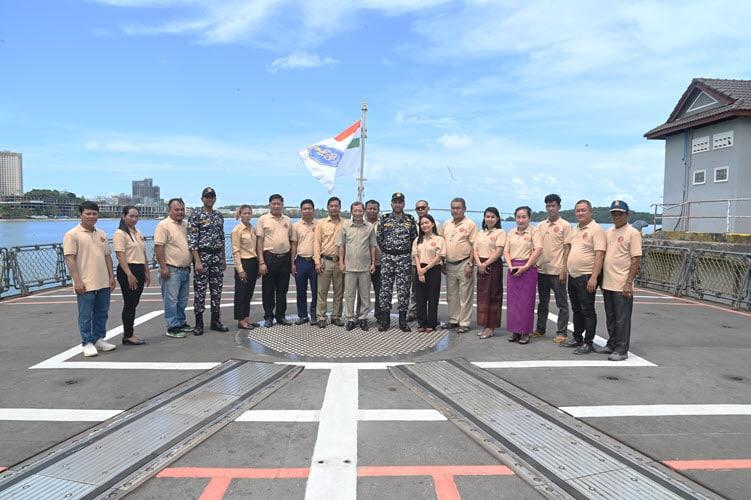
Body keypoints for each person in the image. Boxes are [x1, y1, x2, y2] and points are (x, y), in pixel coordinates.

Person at [63, 201, 117, 357]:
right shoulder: (72, 234)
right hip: (85, 282)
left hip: (103, 281)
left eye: (94, 214)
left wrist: (111, 276)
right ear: (81, 214)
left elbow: (107, 256)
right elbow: (69, 258)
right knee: (85, 314)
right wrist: (77, 280)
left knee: (102, 313)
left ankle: (99, 339)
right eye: (88, 213)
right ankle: (87, 342)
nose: (91, 216)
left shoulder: (101, 234)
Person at [598, 200, 642, 361]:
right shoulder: (609, 231)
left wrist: (629, 282)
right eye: (614, 213)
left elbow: (636, 259)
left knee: (622, 318)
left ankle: (622, 349)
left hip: (622, 283)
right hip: (608, 283)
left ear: (627, 215)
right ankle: (612, 343)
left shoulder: (632, 233)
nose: (616, 216)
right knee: (610, 316)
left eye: (620, 213)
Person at [561, 200, 606, 354]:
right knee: (576, 309)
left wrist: (594, 277)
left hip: (586, 276)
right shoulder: (575, 230)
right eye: (577, 210)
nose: (580, 213)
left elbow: (599, 254)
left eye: (583, 210)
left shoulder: (596, 230)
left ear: (590, 211)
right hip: (573, 275)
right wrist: (564, 269)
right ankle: (577, 337)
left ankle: (588, 342)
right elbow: (569, 250)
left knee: (587, 310)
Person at [188, 187, 228, 335]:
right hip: (202, 256)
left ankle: (215, 321)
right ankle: (199, 323)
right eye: (207, 196)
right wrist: (197, 260)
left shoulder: (219, 215)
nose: (210, 199)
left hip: (217, 256)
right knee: (200, 291)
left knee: (216, 290)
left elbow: (222, 238)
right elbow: (192, 240)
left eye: (212, 196)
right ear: (202, 199)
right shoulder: (196, 215)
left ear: (215, 199)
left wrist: (223, 258)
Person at [533, 194, 572, 343]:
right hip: (542, 270)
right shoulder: (541, 225)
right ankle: (540, 328)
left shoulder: (565, 225)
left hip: (557, 271)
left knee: (561, 303)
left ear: (559, 207)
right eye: (548, 206)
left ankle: (562, 332)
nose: (550, 208)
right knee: (542, 302)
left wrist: (564, 269)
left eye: (553, 205)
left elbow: (567, 248)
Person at [377, 192, 418, 332]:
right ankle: (385, 321)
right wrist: (389, 251)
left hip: (404, 259)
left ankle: (402, 321)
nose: (397, 204)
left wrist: (403, 252)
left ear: (404, 204)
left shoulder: (410, 220)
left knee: (404, 290)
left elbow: (414, 239)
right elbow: (379, 239)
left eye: (400, 202)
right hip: (388, 258)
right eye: (395, 202)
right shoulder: (384, 219)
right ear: (391, 204)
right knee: (385, 291)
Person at [154, 198, 193, 338]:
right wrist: (163, 267)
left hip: (185, 269)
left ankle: (181, 322)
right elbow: (159, 247)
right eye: (176, 209)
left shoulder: (185, 225)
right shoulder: (163, 225)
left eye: (182, 209)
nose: (180, 212)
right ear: (169, 210)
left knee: (182, 300)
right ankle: (172, 326)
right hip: (172, 269)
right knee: (171, 300)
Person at [504, 206, 543, 344]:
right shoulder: (511, 232)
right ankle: (515, 331)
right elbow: (506, 251)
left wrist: (526, 266)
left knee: (526, 302)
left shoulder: (534, 231)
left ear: (529, 218)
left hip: (528, 269)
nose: (521, 220)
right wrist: (510, 266)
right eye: (518, 217)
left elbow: (538, 249)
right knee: (513, 302)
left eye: (524, 217)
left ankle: (526, 332)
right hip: (513, 268)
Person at [113, 205, 150, 345]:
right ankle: (128, 335)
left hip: (139, 268)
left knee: (134, 303)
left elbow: (143, 253)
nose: (134, 219)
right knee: (129, 304)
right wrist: (129, 274)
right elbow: (120, 255)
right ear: (124, 216)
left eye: (136, 216)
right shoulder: (120, 233)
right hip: (128, 269)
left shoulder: (137, 231)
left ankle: (129, 333)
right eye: (131, 216)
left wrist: (147, 272)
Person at [338, 201, 377, 331]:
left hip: (365, 267)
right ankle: (350, 319)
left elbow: (372, 246)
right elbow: (341, 246)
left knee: (365, 295)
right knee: (349, 294)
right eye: (355, 211)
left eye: (360, 211)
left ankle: (363, 318)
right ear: (351, 212)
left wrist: (373, 263)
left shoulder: (369, 227)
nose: (358, 213)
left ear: (364, 211)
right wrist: (341, 263)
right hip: (349, 267)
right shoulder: (345, 227)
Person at [441, 197, 478, 334]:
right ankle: (454, 320)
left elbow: (475, 245)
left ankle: (465, 322)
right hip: (449, 264)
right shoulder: (446, 224)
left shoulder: (470, 225)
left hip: (464, 263)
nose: (455, 210)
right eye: (453, 208)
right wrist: (442, 263)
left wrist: (470, 263)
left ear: (464, 209)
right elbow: (442, 244)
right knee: (451, 295)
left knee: (465, 295)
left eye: (458, 208)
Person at [256, 194, 293, 327]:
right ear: (269, 205)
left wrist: (292, 261)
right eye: (274, 204)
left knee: (283, 290)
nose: (276, 206)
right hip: (269, 258)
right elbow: (259, 242)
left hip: (285, 259)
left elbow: (291, 240)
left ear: (282, 205)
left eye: (279, 204)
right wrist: (261, 262)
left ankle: (281, 316)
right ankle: (268, 316)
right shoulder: (263, 219)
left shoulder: (287, 220)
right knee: (268, 289)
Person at [473, 207, 506, 339]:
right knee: (482, 296)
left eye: (492, 217)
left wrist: (485, 264)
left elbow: (499, 251)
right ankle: (484, 324)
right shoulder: (481, 233)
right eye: (487, 216)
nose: (489, 219)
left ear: (497, 218)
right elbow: (474, 249)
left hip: (493, 266)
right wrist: (478, 264)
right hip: (480, 265)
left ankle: (491, 326)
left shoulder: (500, 232)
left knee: (493, 295)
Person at [314, 197, 347, 328]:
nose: (334, 208)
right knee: (322, 291)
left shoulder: (346, 223)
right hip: (325, 261)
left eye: (336, 206)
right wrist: (317, 262)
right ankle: (321, 316)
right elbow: (316, 243)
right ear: (328, 207)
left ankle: (336, 316)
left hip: (340, 262)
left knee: (339, 291)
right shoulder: (321, 224)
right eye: (331, 206)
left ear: (340, 207)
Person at [408, 200, 441, 321]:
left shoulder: (436, 224)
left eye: (423, 207)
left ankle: (431, 318)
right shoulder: (412, 224)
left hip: (433, 265)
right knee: (416, 291)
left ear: (428, 208)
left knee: (432, 294)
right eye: (418, 208)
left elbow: (440, 246)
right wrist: (419, 269)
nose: (420, 210)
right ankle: (415, 313)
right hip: (416, 263)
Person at [412, 214, 445, 332]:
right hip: (420, 268)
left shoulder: (439, 239)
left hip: (433, 269)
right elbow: (415, 255)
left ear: (432, 224)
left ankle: (431, 323)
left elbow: (440, 256)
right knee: (420, 298)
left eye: (427, 223)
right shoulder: (417, 240)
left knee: (432, 298)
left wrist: (425, 269)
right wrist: (420, 271)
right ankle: (422, 323)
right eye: (422, 224)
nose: (424, 225)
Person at [231, 204, 260, 330]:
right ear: (240, 215)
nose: (247, 215)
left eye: (249, 213)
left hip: (253, 262)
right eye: (244, 213)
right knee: (241, 293)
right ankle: (240, 320)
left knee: (249, 293)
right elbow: (236, 251)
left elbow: (255, 248)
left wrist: (258, 264)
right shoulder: (237, 230)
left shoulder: (252, 229)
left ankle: (246, 317)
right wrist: (240, 270)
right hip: (243, 263)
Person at [291, 199, 318, 325]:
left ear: (313, 210)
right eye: (304, 209)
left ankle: (314, 315)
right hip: (301, 261)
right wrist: (292, 263)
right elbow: (294, 245)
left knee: (316, 290)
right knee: (301, 291)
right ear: (301, 210)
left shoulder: (319, 225)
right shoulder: (296, 226)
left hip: (315, 262)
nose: (307, 211)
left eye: (309, 208)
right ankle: (302, 315)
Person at [365, 199, 383, 323]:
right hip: (363, 264)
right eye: (370, 208)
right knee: (363, 292)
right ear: (366, 210)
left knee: (380, 291)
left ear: (378, 210)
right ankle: (362, 316)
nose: (372, 211)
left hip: (380, 263)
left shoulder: (384, 224)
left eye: (374, 209)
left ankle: (380, 315)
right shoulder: (359, 224)